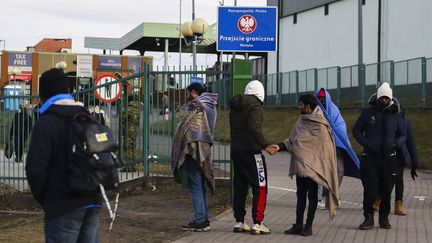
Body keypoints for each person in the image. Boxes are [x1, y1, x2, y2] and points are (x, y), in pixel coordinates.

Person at [26, 68, 102, 242]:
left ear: (43, 95)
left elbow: (35, 168)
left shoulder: (46, 123)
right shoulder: (86, 118)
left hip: (62, 204)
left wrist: (46, 200)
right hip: (92, 200)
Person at [269, 94, 339, 237]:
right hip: (301, 167)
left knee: (312, 196)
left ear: (308, 107)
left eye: (301, 104)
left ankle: (309, 226)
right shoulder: (301, 121)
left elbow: (325, 148)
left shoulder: (320, 124)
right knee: (300, 195)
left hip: (314, 169)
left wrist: (316, 162)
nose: (299, 107)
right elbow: (292, 140)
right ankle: (298, 224)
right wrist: (279, 146)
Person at [353, 82, 406, 230]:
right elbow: (356, 130)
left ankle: (384, 217)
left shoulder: (396, 114)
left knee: (387, 188)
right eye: (381, 97)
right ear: (377, 97)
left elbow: (403, 134)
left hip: (389, 158)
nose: (384, 100)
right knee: (370, 189)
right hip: (370, 157)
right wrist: (367, 143)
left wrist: (396, 144)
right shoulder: (367, 113)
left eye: (386, 98)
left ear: (390, 99)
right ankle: (368, 217)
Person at [171, 82, 218, 232]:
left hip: (193, 150)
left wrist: (180, 141)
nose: (187, 96)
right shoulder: (211, 106)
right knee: (201, 186)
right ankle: (203, 219)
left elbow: (188, 128)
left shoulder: (197, 106)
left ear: (194, 92)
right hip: (204, 149)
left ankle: (199, 220)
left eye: (188, 92)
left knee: (196, 186)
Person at [229, 80, 274, 235]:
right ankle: (258, 222)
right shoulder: (255, 107)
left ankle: (239, 221)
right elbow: (253, 128)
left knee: (240, 186)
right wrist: (265, 145)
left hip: (236, 151)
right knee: (260, 186)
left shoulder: (235, 107)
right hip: (252, 153)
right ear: (261, 94)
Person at [367, 94, 418, 215]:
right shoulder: (383, 119)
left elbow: (410, 142)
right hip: (385, 155)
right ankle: (379, 199)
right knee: (383, 179)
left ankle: (398, 204)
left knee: (398, 180)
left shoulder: (404, 121)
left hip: (399, 156)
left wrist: (414, 162)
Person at [314, 88, 361, 209]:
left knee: (339, 171)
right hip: (321, 149)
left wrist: (334, 132)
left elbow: (340, 125)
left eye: (324, 98)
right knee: (323, 174)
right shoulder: (314, 112)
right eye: (319, 98)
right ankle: (321, 198)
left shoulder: (334, 109)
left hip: (337, 148)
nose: (322, 100)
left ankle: (332, 195)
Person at [121, 95, 140, 172]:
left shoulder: (129, 108)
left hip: (128, 130)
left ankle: (128, 166)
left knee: (127, 147)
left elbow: (122, 119)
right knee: (133, 147)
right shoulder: (137, 109)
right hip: (134, 130)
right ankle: (133, 165)